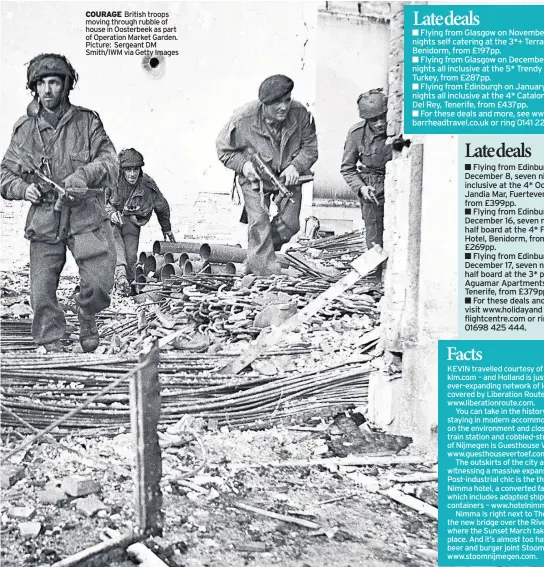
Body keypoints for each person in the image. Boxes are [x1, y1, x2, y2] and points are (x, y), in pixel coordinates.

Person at [1, 53, 118, 353]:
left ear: (67, 86)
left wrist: (83, 175)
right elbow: (4, 174)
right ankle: (51, 343)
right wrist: (23, 188)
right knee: (41, 291)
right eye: (41, 84)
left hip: (84, 213)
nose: (48, 90)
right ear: (34, 88)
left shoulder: (87, 122)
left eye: (55, 82)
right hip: (45, 216)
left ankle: (87, 311)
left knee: (100, 283)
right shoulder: (25, 132)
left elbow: (109, 162)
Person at [216, 74, 318, 276]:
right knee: (259, 224)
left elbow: (311, 148)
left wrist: (296, 166)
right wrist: (243, 165)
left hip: (289, 178)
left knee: (290, 225)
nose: (284, 107)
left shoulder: (300, 114)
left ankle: (255, 257)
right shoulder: (243, 119)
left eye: (287, 100)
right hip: (255, 178)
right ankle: (266, 278)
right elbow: (223, 151)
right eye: (277, 103)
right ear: (264, 104)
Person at [106, 148, 175, 294]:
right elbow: (99, 202)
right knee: (117, 249)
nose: (132, 174)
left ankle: (127, 286)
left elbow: (161, 206)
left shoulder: (147, 185)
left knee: (131, 257)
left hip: (132, 222)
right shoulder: (111, 180)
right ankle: (120, 277)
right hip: (112, 222)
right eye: (128, 170)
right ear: (122, 170)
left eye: (135, 169)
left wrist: (166, 228)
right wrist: (111, 213)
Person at [341, 88, 391, 281]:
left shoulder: (398, 129)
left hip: (394, 183)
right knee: (374, 237)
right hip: (372, 188)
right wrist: (361, 188)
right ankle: (375, 279)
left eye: (382, 117)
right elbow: (347, 168)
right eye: (374, 120)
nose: (380, 124)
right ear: (366, 120)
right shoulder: (356, 135)